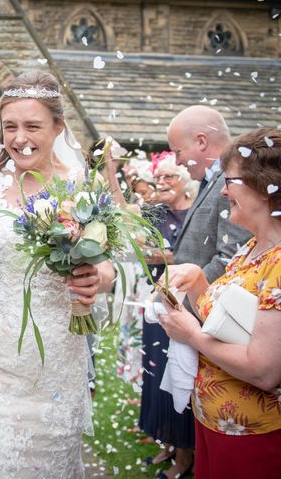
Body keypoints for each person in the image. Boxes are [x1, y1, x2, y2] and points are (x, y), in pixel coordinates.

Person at [0, 70, 114, 478]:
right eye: (10, 126)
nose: (19, 137)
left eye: (32, 125)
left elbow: (108, 262)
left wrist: (99, 278)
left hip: (59, 360)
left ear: (58, 126)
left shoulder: (83, 184)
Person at [159, 127, 281, 478]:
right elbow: (231, 324)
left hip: (253, 433)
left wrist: (191, 336)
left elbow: (264, 369)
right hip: (214, 422)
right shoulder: (250, 248)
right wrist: (198, 281)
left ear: (264, 186)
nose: (224, 190)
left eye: (232, 182)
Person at [139, 153, 198, 478]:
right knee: (155, 373)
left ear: (184, 180)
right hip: (155, 301)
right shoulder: (154, 212)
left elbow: (189, 256)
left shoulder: (196, 211)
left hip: (181, 303)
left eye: (168, 178)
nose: (161, 184)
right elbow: (146, 252)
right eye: (158, 178)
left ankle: (185, 456)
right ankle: (167, 442)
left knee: (177, 374)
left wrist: (158, 253)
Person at [168, 105, 251, 286]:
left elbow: (230, 258)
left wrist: (176, 300)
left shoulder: (232, 182)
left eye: (178, 152)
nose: (177, 161)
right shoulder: (212, 180)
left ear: (201, 142)